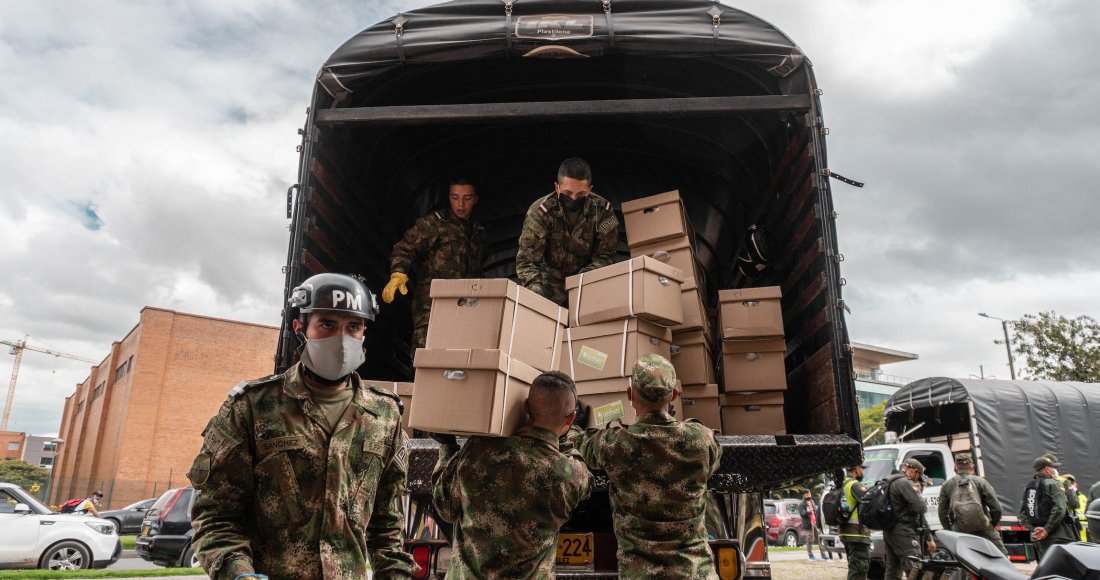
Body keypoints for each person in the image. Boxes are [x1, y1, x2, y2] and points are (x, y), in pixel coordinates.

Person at [188, 273, 415, 580]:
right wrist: (236, 573)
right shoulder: (253, 406)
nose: (342, 339)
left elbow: (386, 524)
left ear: (364, 332)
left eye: (353, 327)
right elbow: (216, 514)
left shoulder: (385, 414)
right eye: (327, 324)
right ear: (300, 328)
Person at [431, 370, 593, 578]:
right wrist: (569, 434)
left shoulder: (479, 449)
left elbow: (445, 508)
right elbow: (584, 480)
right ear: (570, 418)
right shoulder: (568, 474)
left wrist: (448, 448)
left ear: (526, 406)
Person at [575, 354, 721, 578]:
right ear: (673, 395)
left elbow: (579, 444)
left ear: (630, 395)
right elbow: (713, 461)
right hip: (694, 572)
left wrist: (576, 425)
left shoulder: (615, 444)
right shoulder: (700, 440)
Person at [382, 178, 486, 350]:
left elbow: (479, 269)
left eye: (467, 198)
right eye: (454, 197)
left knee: (459, 352)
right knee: (426, 350)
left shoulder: (478, 232)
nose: (460, 204)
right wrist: (398, 273)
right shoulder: (434, 224)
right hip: (431, 304)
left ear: (475, 199)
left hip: (465, 306)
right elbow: (405, 247)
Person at [515, 158, 620, 306]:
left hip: (587, 284)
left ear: (590, 190)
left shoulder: (603, 212)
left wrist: (583, 280)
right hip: (547, 285)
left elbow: (607, 256)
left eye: (581, 194)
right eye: (567, 193)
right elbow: (527, 262)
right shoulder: (541, 212)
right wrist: (536, 298)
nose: (573, 199)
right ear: (557, 187)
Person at [936, 453, 1007, 555]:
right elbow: (997, 508)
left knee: (964, 561)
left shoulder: (947, 485)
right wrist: (990, 524)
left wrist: (950, 530)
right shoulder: (981, 482)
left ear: (955, 468)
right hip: (984, 528)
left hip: (959, 530)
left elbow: (942, 513)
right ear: (972, 467)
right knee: (1001, 558)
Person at [883, 458, 936, 580]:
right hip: (904, 533)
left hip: (890, 531)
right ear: (912, 471)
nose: (917, 479)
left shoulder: (889, 479)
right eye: (918, 476)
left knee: (893, 571)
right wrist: (918, 494)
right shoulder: (905, 482)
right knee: (915, 570)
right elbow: (921, 508)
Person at [1018, 456, 1077, 559]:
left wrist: (1035, 530)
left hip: (1038, 538)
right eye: (1054, 467)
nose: (1056, 470)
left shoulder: (1029, 487)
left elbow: (1022, 514)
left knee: (1046, 569)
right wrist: (1046, 529)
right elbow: (1060, 508)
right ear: (1047, 469)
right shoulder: (1055, 484)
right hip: (1059, 536)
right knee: (1065, 571)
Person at [837, 463, 871, 580]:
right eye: (862, 469)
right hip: (857, 533)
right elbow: (871, 502)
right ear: (857, 469)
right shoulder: (855, 485)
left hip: (846, 531)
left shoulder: (842, 483)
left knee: (854, 566)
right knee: (859, 569)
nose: (863, 472)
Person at [799, 488, 829, 561]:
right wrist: (807, 512)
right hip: (809, 524)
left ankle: (823, 554)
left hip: (815, 523)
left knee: (820, 538)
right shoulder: (802, 504)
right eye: (807, 494)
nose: (809, 495)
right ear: (804, 495)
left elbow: (815, 513)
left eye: (809, 493)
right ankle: (810, 555)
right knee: (810, 540)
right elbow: (802, 514)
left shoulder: (812, 501)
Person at [1062, 474, 1089, 542]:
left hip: (1086, 532)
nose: (1070, 485)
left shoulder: (1083, 497)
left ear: (1076, 485)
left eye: (1072, 483)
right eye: (1067, 483)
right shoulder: (1061, 497)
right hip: (1071, 530)